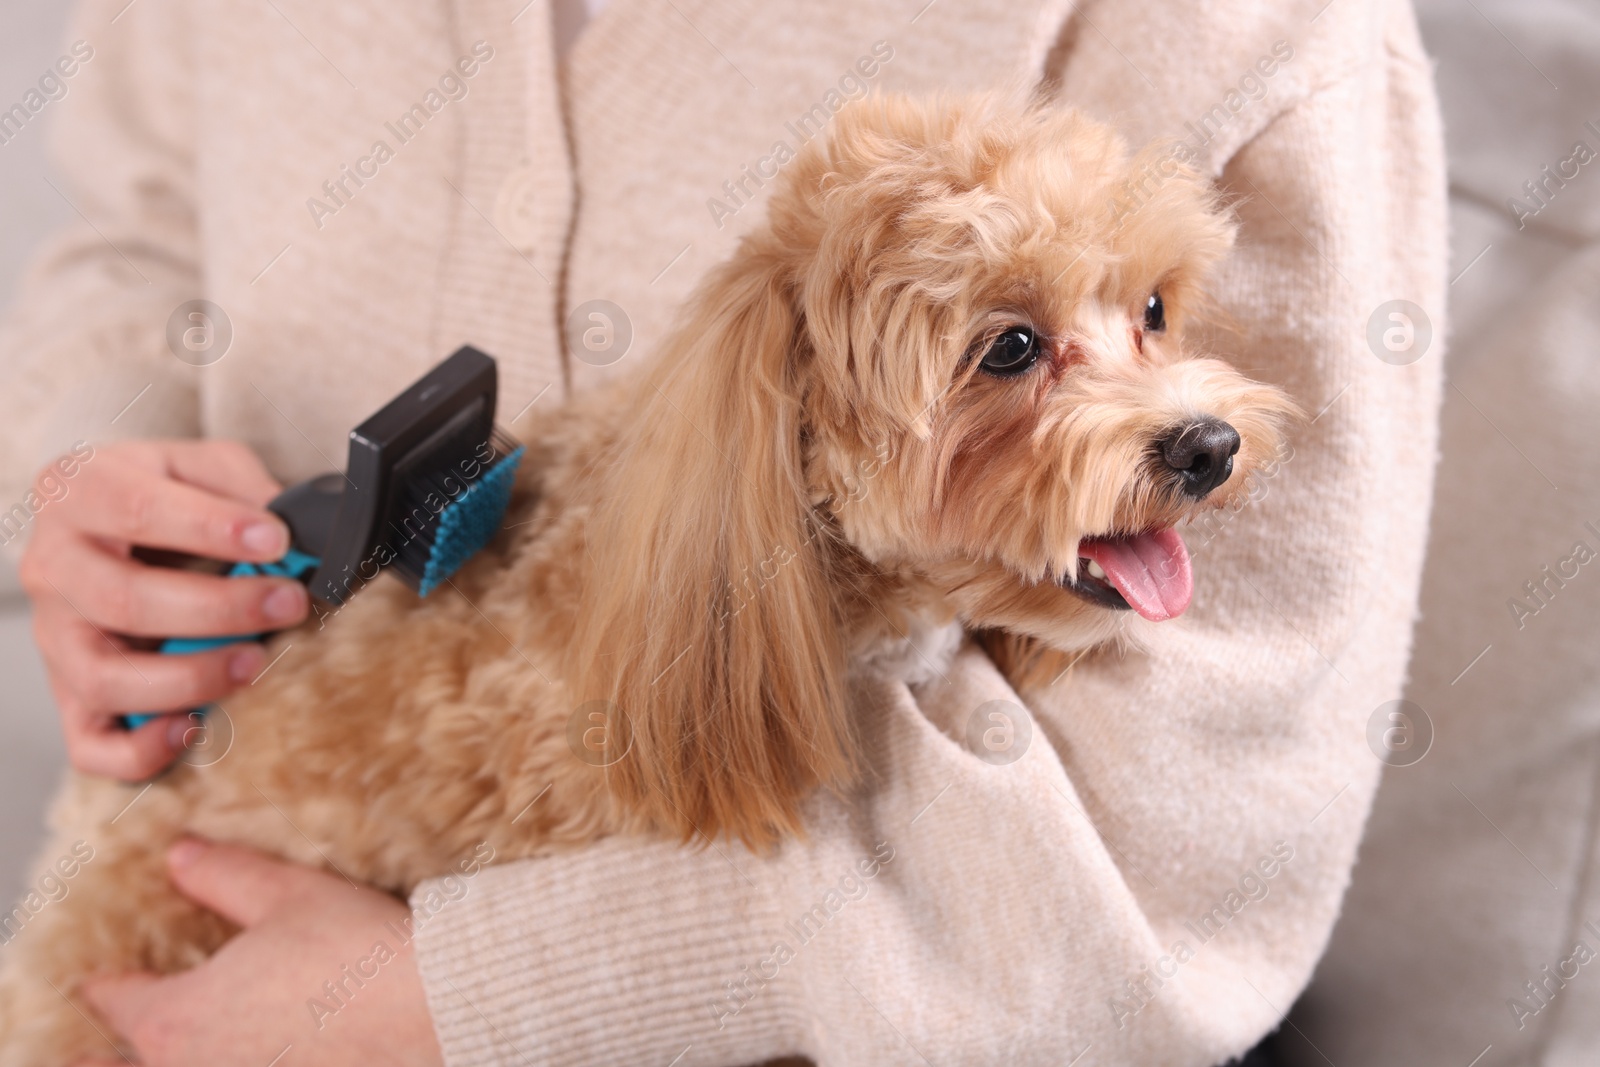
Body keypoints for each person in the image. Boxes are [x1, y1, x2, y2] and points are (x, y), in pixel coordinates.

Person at [0, 0, 1446, 1064]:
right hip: (193, 873)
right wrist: (97, 458)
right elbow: (140, 230)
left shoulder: (1251, 32)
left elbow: (1194, 852)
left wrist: (479, 1002)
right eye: (1013, 353)